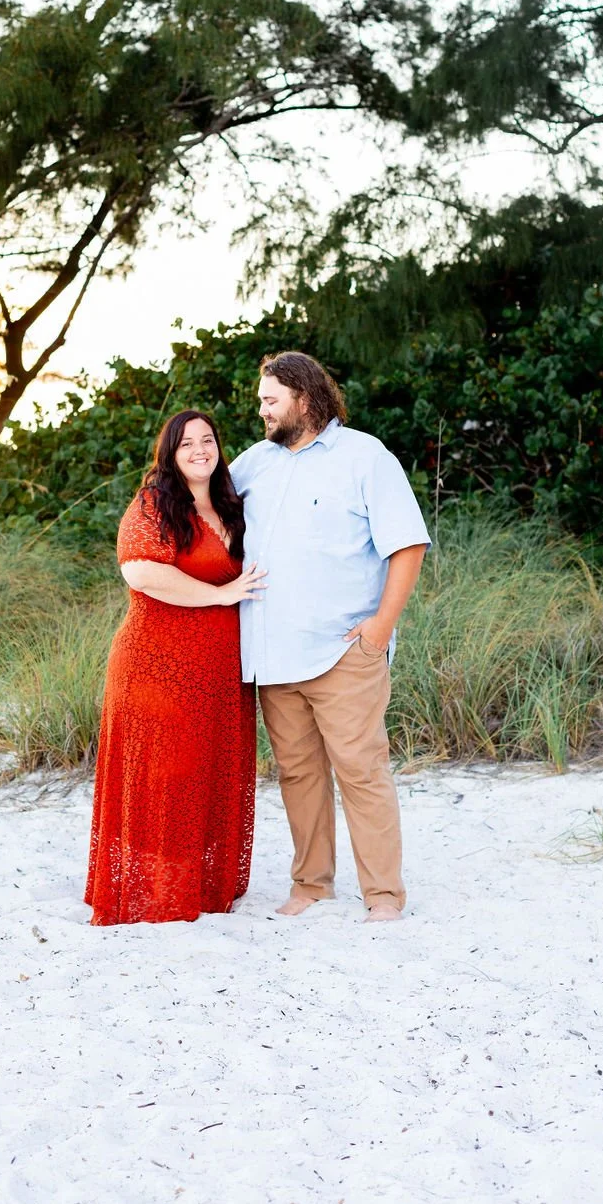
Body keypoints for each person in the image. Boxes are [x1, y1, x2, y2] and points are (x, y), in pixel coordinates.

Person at [230, 353, 430, 924]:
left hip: (344, 650)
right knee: (298, 775)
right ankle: (312, 885)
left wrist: (378, 630)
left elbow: (407, 547)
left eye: (271, 400)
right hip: (271, 656)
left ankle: (383, 895)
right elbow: (202, 510)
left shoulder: (365, 457)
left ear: (304, 397)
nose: (263, 411)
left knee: (362, 771)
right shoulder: (253, 464)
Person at [85, 410, 265, 926]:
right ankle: (158, 894)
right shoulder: (154, 502)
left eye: (208, 440)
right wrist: (221, 592)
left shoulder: (234, 503)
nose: (200, 450)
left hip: (218, 669)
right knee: (164, 775)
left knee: (203, 772)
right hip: (155, 663)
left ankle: (199, 887)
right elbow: (140, 572)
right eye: (187, 443)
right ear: (170, 452)